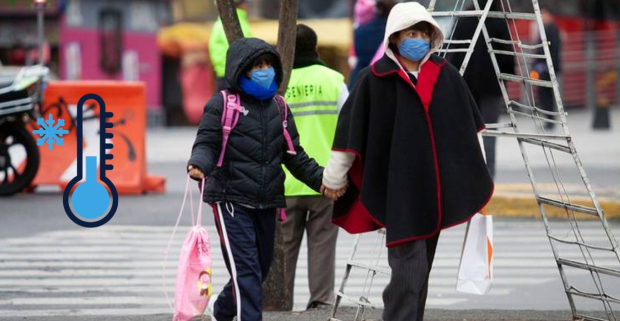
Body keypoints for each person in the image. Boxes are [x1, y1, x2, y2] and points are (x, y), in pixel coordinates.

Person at [321, 2, 494, 320]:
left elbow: (470, 132)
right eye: (410, 33)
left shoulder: (446, 76)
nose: (418, 40)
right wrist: (334, 179)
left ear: (433, 37)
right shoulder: (373, 79)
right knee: (407, 268)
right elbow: (348, 136)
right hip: (398, 190)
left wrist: (477, 179)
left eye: (423, 33)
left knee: (421, 269)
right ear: (395, 38)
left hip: (436, 190)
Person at [187, 37, 328, 321]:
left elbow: (294, 155)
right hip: (230, 200)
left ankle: (222, 308)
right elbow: (207, 143)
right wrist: (198, 164)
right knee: (247, 270)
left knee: (260, 268)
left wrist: (324, 181)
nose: (265, 71)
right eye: (257, 66)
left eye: (268, 65)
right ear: (241, 71)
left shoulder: (280, 107)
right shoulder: (222, 104)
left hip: (267, 200)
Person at [281, 24, 349, 310]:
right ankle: (320, 303)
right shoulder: (334, 81)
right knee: (322, 245)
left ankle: (279, 306)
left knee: (283, 250)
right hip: (326, 180)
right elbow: (350, 130)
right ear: (315, 48)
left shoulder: (277, 84)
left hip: (284, 182)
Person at [449, 0, 515, 178]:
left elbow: (453, 53)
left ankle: (467, 175)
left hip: (464, 86)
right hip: (491, 87)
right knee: (489, 132)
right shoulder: (498, 21)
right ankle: (488, 176)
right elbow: (507, 57)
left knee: (467, 132)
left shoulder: (464, 19)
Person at [209, 0, 253, 91]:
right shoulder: (236, 23)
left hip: (226, 74)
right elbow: (241, 50)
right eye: (244, 2)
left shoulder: (220, 23)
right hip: (233, 76)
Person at [534, 6, 562, 130]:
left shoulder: (552, 29)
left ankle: (550, 121)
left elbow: (554, 50)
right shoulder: (546, 29)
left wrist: (547, 66)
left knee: (547, 95)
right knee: (543, 94)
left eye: (544, 15)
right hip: (543, 68)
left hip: (548, 68)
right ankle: (548, 120)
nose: (542, 17)